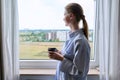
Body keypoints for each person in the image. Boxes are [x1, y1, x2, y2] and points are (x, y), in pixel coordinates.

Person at [48, 3, 90, 80]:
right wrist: (60, 54)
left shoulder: (81, 42)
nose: (63, 18)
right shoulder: (71, 38)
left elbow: (80, 73)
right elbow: (70, 58)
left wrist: (61, 59)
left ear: (71, 16)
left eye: (64, 15)